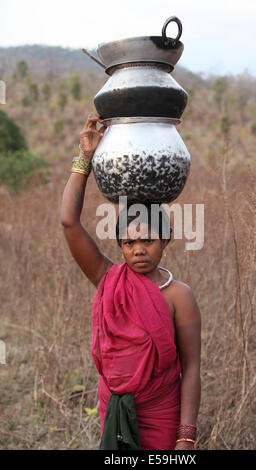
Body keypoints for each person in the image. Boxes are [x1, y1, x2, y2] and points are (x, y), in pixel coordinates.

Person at [60, 114, 201, 450]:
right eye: (128, 243)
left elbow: (192, 367)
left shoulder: (179, 297)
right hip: (115, 409)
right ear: (120, 244)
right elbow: (69, 222)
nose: (138, 250)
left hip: (161, 414)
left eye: (148, 241)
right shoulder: (107, 277)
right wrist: (86, 158)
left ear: (166, 240)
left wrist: (186, 436)